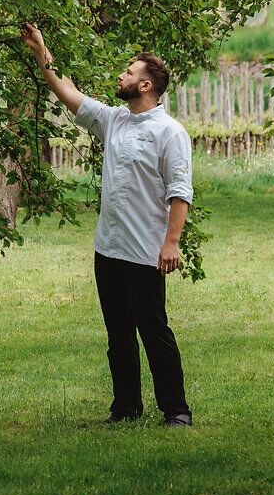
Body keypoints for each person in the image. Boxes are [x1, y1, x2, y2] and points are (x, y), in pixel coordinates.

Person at [21, 23, 195, 426]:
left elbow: (180, 192)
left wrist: (171, 243)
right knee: (118, 334)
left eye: (129, 72)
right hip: (108, 249)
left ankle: (176, 410)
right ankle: (126, 408)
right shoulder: (113, 120)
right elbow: (66, 92)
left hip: (145, 252)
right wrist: (41, 51)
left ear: (146, 85)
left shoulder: (170, 133)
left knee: (154, 332)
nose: (121, 75)